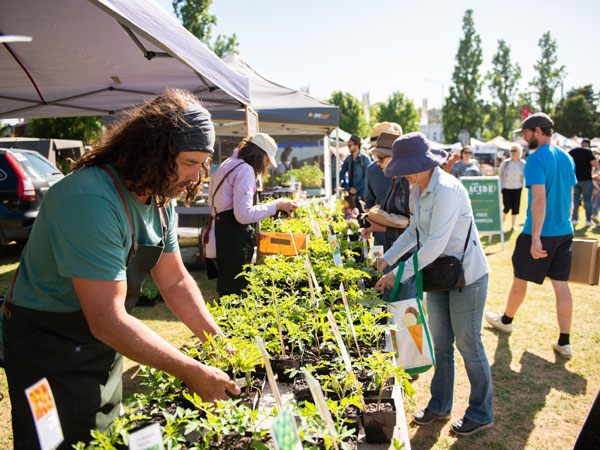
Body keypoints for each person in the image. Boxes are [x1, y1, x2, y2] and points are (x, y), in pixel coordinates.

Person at [1, 90, 243, 448]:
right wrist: (192, 372)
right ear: (153, 149)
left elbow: (175, 280)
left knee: (102, 436)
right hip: (46, 351)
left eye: (202, 164)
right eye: (190, 162)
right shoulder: (89, 200)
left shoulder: (160, 199)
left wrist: (217, 341)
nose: (196, 176)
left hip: (100, 345)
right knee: (51, 442)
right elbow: (107, 320)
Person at [375, 132, 493, 435]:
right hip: (440, 274)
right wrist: (386, 258)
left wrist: (397, 273)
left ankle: (481, 411)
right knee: (441, 343)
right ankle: (440, 404)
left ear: (421, 163)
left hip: (468, 275)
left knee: (469, 343)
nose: (402, 174)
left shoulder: (448, 191)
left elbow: (434, 246)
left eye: (405, 167)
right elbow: (415, 231)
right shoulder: (417, 187)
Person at [486, 112, 577, 360]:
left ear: (537, 130)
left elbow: (539, 199)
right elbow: (569, 198)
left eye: (526, 133)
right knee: (561, 285)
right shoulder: (567, 157)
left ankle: (506, 320)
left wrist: (536, 237)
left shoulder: (536, 159)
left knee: (520, 278)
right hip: (564, 231)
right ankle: (565, 342)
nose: (524, 139)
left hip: (539, 233)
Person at [204, 133, 297, 297]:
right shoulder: (245, 170)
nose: (266, 166)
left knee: (227, 291)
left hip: (222, 233)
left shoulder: (229, 163)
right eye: (267, 161)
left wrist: (263, 209)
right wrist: (276, 205)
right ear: (261, 156)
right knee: (234, 294)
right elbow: (243, 215)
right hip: (233, 240)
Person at [364, 122, 402, 247]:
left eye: (381, 152)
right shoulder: (371, 170)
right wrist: (371, 219)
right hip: (381, 238)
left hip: (404, 239)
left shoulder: (408, 173)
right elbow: (369, 201)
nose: (376, 153)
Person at [569, 138, 598, 227]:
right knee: (587, 200)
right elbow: (595, 164)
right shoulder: (588, 152)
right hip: (586, 179)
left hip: (574, 179)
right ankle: (588, 220)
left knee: (575, 200)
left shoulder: (573, 151)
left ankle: (574, 219)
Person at [498, 145, 526, 231]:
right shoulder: (506, 163)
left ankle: (512, 225)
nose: (513, 153)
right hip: (506, 188)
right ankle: (501, 224)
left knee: (515, 207)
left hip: (517, 188)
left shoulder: (523, 164)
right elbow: (500, 174)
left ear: (519, 152)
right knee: (507, 207)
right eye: (512, 151)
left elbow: (525, 175)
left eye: (515, 151)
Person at [339, 134, 372, 200]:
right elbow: (342, 173)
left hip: (363, 194)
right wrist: (337, 185)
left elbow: (368, 177)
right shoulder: (348, 159)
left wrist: (356, 188)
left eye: (350, 145)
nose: (348, 147)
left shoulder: (365, 159)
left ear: (357, 145)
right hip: (351, 194)